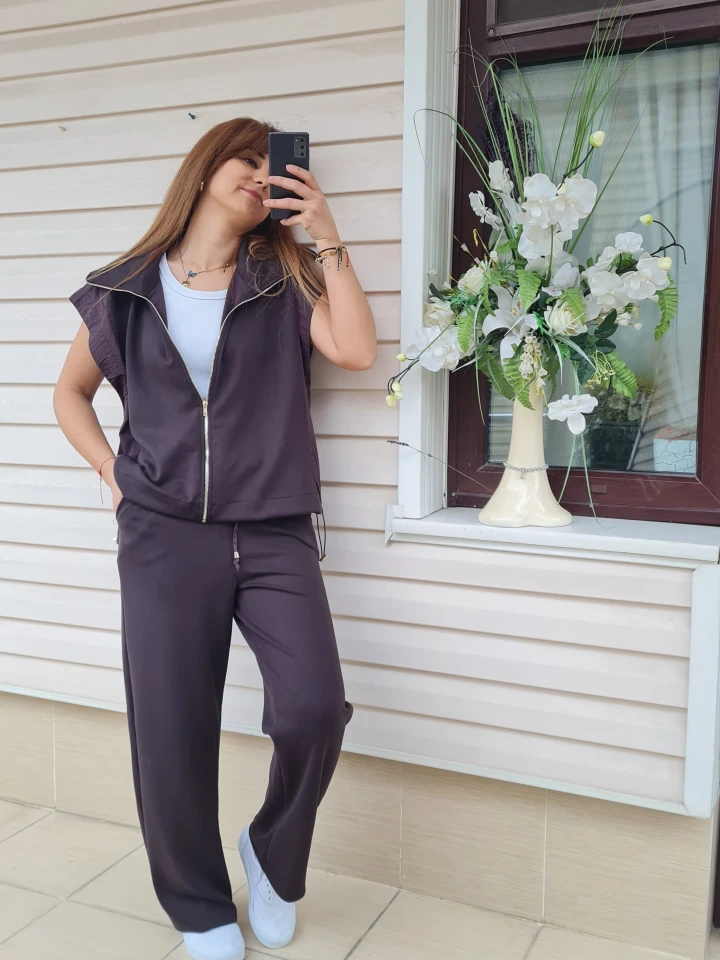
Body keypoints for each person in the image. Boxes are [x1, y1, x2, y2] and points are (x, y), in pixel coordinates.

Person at [53, 117, 377, 960]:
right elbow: (69, 395)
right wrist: (111, 471)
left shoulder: (283, 277)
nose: (262, 175)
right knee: (171, 726)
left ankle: (272, 854)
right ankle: (198, 903)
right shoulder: (127, 289)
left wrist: (326, 231)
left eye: (275, 167)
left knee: (313, 708)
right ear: (204, 170)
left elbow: (355, 349)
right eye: (247, 159)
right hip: (162, 535)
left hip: (273, 528)